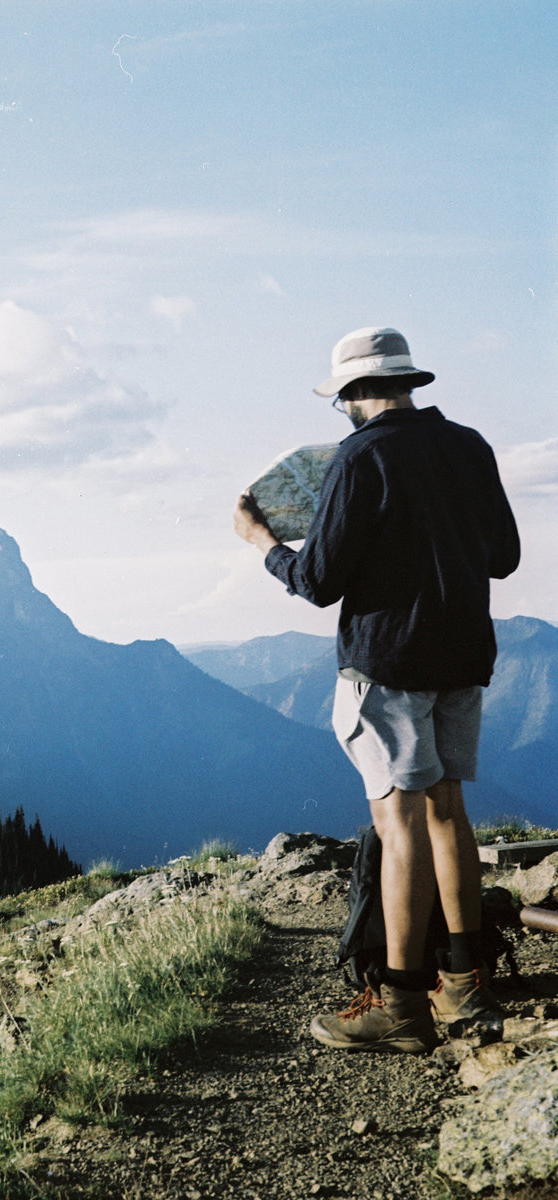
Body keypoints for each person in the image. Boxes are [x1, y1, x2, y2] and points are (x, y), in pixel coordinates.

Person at [232, 326, 520, 1053]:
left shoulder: (358, 458)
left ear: (353, 394)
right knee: (449, 812)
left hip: (388, 663)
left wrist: (262, 540)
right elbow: (505, 558)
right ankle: (464, 983)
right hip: (464, 656)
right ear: (407, 382)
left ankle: (400, 1003)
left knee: (400, 827)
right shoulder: (471, 446)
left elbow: (317, 581)